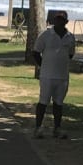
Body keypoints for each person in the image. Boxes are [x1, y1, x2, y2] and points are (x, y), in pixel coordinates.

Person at [32, 9, 76, 138]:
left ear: (66, 22)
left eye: (61, 20)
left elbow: (70, 54)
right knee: (43, 102)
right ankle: (38, 128)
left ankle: (57, 128)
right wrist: (44, 66)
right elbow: (36, 52)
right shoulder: (46, 35)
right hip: (47, 76)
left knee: (59, 103)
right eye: (57, 19)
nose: (59, 22)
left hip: (62, 76)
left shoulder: (70, 37)